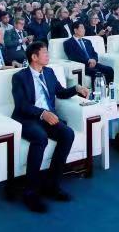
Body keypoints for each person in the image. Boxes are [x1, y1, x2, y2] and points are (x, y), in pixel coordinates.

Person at [11, 41, 89, 213]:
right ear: (34, 57)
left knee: (67, 134)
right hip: (28, 118)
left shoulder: (49, 72)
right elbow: (21, 105)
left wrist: (76, 88)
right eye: (45, 53)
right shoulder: (20, 77)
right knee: (40, 138)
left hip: (48, 117)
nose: (48, 56)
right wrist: (42, 113)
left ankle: (52, 185)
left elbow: (60, 92)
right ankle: (30, 192)